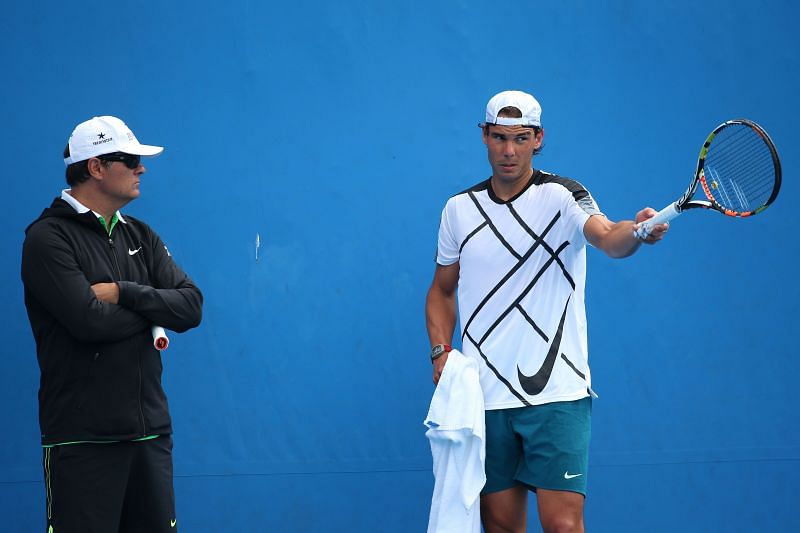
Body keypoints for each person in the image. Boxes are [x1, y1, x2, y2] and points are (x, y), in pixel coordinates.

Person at [425, 90, 667, 533]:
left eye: (521, 138)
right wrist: (440, 351)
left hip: (557, 394)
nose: (509, 151)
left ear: (539, 138)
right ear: (484, 137)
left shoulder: (564, 195)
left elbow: (610, 236)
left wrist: (638, 232)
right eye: (499, 138)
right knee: (499, 527)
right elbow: (442, 291)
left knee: (564, 526)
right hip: (485, 398)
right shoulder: (458, 210)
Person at [21, 115, 203, 532]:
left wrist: (125, 292)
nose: (142, 168)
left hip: (150, 437)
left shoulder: (141, 234)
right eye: (130, 159)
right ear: (96, 168)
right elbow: (89, 323)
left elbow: (190, 308)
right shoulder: (48, 239)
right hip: (83, 441)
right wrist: (155, 309)